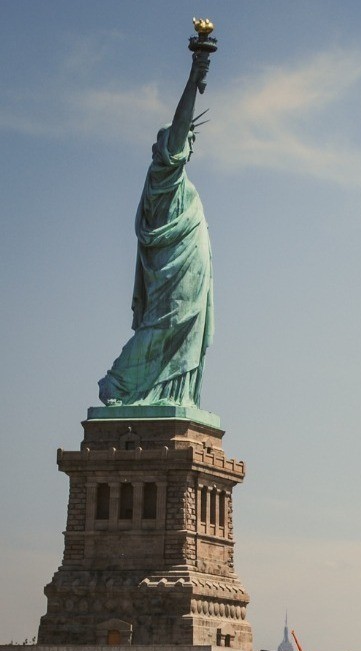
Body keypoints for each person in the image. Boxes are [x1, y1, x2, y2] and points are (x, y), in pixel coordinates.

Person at [98, 44, 215, 409]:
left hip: (189, 268)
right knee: (165, 324)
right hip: (172, 272)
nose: (189, 144)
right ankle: (118, 383)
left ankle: (174, 395)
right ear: (165, 149)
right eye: (182, 141)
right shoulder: (163, 176)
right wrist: (194, 77)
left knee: (182, 330)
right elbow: (180, 127)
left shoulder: (178, 185)